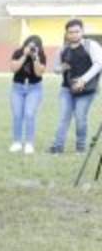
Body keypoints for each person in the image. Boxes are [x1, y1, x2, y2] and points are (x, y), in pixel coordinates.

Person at [50, 19, 102, 154]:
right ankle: (57, 147)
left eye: (77, 31)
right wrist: (61, 67)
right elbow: (55, 69)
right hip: (67, 89)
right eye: (70, 32)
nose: (74, 35)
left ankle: (80, 148)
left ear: (82, 32)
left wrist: (83, 80)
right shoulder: (63, 49)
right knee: (63, 117)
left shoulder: (91, 45)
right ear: (66, 34)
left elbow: (98, 64)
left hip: (87, 90)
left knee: (80, 118)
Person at [8, 36, 45, 154]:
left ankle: (29, 143)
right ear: (25, 44)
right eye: (29, 45)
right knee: (17, 115)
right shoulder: (18, 52)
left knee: (29, 114)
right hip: (17, 88)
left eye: (34, 46)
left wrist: (35, 58)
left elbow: (39, 73)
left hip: (34, 88)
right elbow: (13, 69)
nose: (31, 48)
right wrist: (24, 55)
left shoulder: (41, 55)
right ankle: (17, 142)